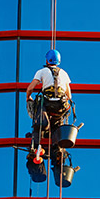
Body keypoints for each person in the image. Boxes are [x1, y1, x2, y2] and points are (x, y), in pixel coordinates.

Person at [25, 49, 72, 182]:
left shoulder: (42, 71)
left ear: (47, 60)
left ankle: (36, 147)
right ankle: (57, 152)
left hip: (47, 104)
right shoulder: (64, 73)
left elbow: (30, 88)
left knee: (38, 125)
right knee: (57, 128)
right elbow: (69, 95)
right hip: (61, 107)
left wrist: (28, 98)